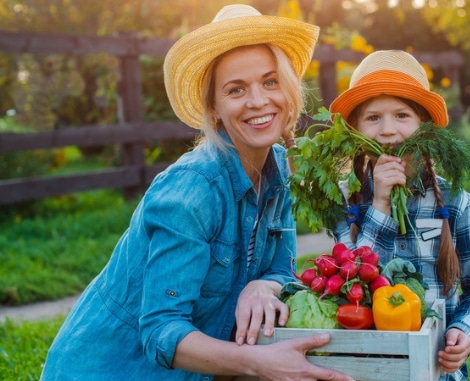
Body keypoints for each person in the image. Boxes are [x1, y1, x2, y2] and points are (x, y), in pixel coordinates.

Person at [41, 5, 354, 381]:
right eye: (236, 89)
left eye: (270, 82)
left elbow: (281, 266)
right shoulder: (192, 192)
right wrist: (260, 363)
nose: (258, 101)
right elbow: (161, 331)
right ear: (214, 108)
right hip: (112, 371)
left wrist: (263, 285)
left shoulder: (278, 169)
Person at [329, 50, 470, 381]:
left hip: (434, 370)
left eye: (402, 116)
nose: (388, 130)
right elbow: (348, 285)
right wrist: (379, 204)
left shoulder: (454, 202)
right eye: (373, 118)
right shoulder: (345, 200)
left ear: (424, 128)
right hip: (368, 368)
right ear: (356, 131)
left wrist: (464, 332)